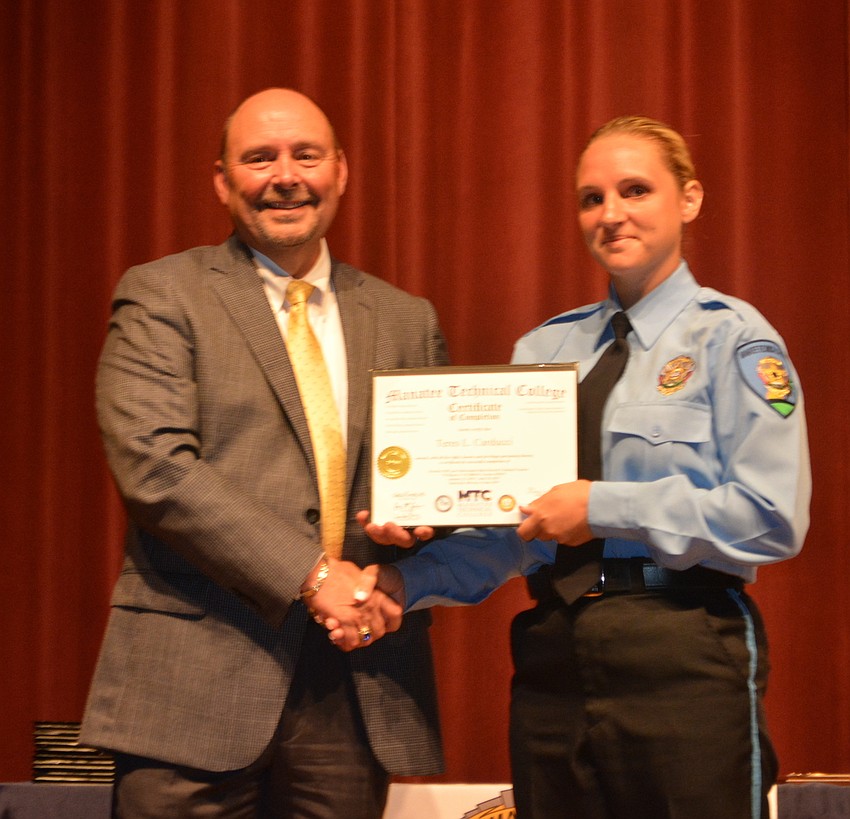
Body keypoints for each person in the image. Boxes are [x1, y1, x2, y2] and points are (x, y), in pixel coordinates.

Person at [360, 116, 810, 819]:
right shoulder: (545, 350)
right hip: (554, 658)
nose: (611, 213)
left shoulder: (733, 338)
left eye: (636, 190)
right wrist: (402, 578)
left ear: (690, 199)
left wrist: (601, 507)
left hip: (684, 645)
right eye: (591, 198)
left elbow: (772, 516)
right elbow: (517, 533)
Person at [81, 88, 449, 819]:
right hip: (192, 687)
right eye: (259, 158)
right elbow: (155, 468)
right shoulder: (163, 295)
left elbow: (429, 477)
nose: (285, 176)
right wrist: (313, 574)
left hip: (352, 685)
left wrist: (417, 532)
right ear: (223, 181)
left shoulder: (407, 319)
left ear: (340, 170)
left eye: (305, 155)